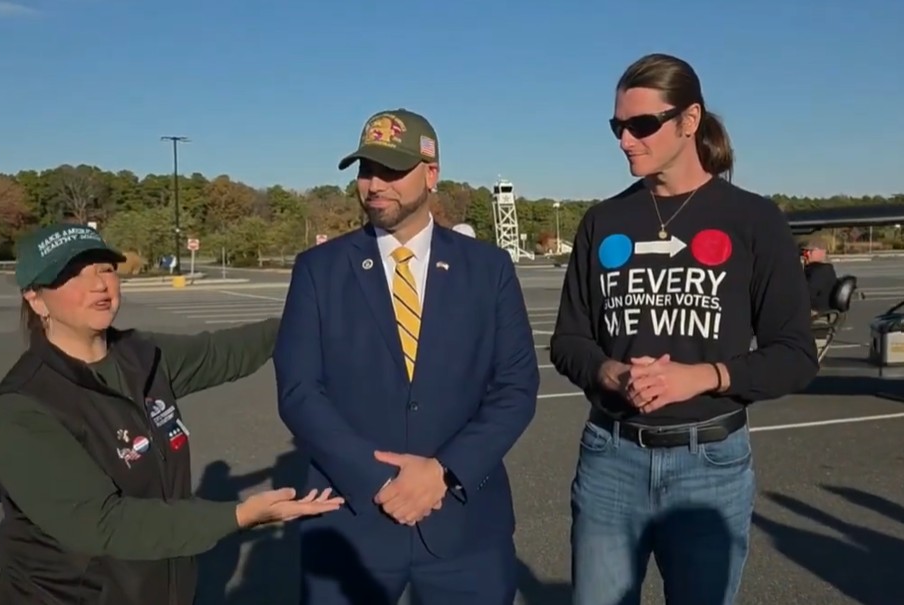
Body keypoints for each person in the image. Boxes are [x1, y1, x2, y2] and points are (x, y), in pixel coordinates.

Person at [550, 53, 819, 605]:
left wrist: (702, 377)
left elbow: (795, 353)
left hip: (711, 466)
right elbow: (568, 341)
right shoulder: (602, 222)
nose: (625, 139)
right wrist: (609, 369)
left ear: (689, 120)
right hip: (610, 457)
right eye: (617, 126)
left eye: (642, 125)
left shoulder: (753, 219)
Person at [0, 223, 343, 605]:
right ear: (36, 298)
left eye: (105, 269)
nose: (99, 284)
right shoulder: (25, 408)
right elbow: (104, 523)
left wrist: (314, 319)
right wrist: (237, 516)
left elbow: (223, 353)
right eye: (73, 275)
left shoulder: (139, 357)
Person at [273, 108, 539, 604]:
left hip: (465, 526)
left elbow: (516, 388)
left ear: (431, 174)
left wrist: (443, 472)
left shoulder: (488, 268)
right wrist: (381, 481)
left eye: (392, 170)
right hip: (351, 524)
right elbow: (299, 392)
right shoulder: (318, 270)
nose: (375, 185)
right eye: (365, 170)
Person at [801, 235, 839, 313]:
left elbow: (806, 295)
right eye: (804, 253)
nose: (805, 256)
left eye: (806, 252)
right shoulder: (824, 269)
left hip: (816, 312)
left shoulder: (820, 272)